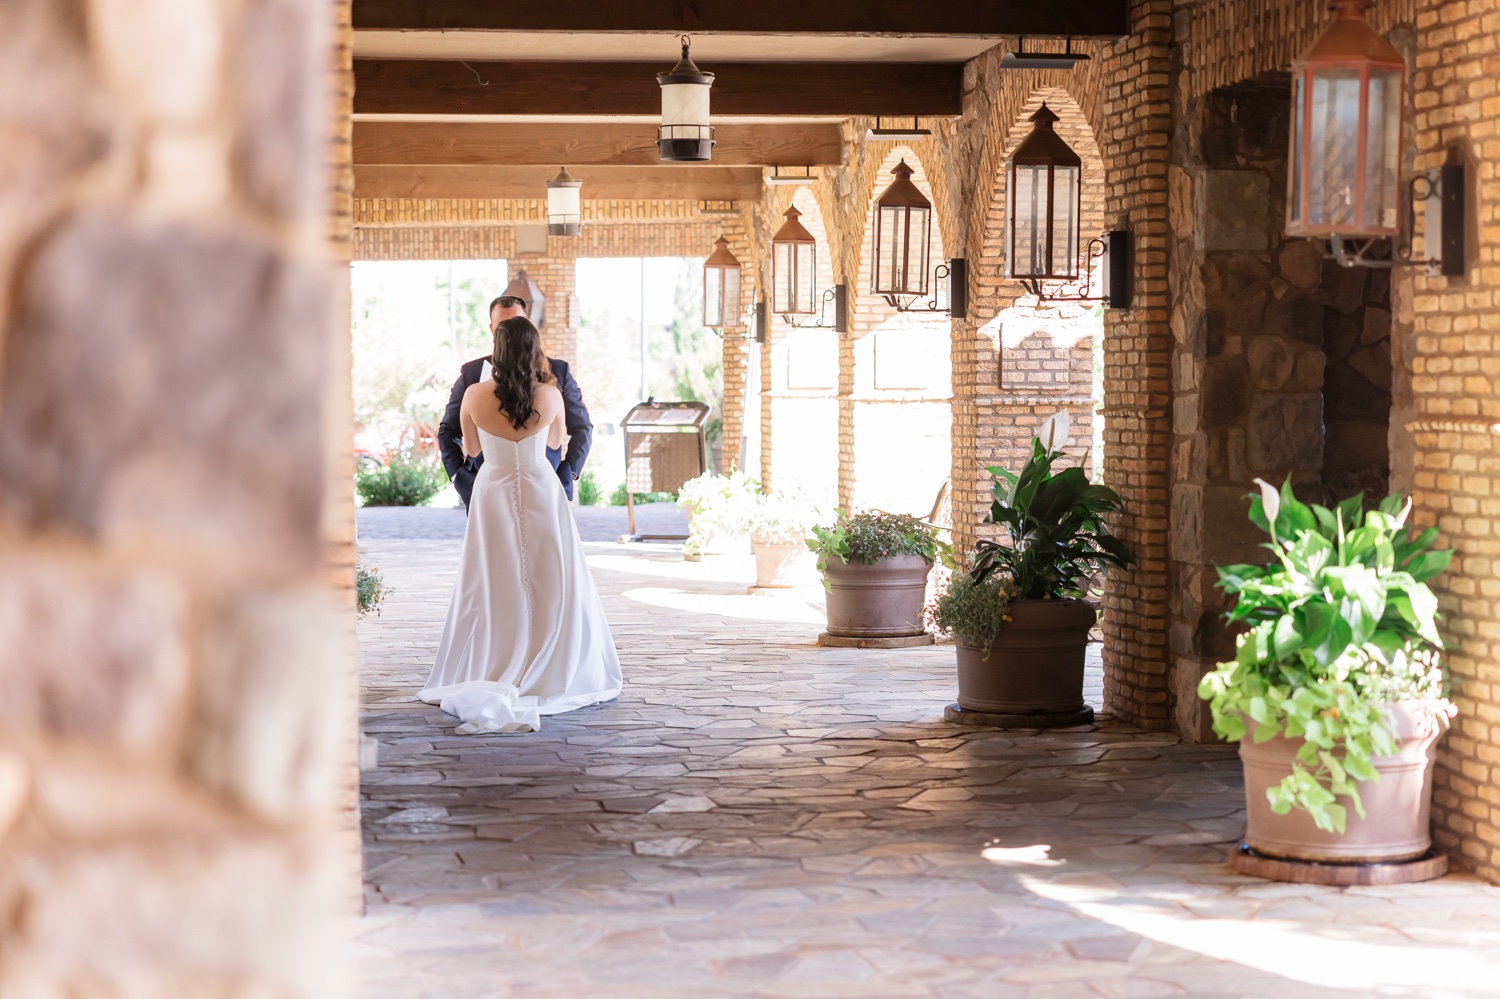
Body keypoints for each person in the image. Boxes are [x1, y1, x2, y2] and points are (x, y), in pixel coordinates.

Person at [421, 317, 622, 733]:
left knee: (495, 576)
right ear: (533, 349)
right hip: (539, 486)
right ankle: (549, 657)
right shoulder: (549, 395)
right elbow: (555, 442)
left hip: (492, 488)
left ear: (497, 350)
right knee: (551, 574)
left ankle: (499, 654)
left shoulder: (475, 395)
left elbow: (472, 448)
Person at [439, 294, 592, 507]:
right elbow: (449, 431)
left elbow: (581, 427)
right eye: (504, 325)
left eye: (517, 323)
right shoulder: (471, 373)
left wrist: (567, 474)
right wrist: (461, 479)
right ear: (493, 330)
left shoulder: (558, 371)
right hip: (485, 493)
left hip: (545, 489)